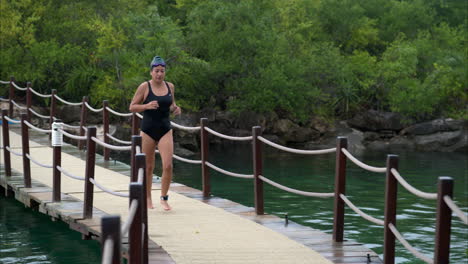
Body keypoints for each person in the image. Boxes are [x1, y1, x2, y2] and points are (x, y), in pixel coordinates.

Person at [129, 56, 181, 210]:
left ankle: (164, 198)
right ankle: (148, 197)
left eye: (162, 71)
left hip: (165, 129)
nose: (159, 74)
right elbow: (132, 107)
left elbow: (171, 105)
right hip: (148, 130)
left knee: (168, 165)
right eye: (156, 71)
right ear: (151, 72)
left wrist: (176, 109)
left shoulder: (170, 86)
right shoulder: (144, 87)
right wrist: (146, 106)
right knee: (149, 167)